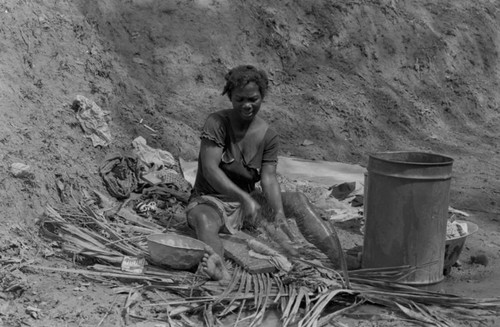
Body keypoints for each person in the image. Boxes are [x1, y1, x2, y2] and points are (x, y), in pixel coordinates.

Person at [185, 65, 286, 281]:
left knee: (298, 202)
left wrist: (278, 212)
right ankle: (218, 266)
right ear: (230, 97)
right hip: (213, 200)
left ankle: (336, 259)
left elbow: (268, 177)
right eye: (240, 99)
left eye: (253, 99)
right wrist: (241, 197)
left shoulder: (269, 135)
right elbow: (211, 170)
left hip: (247, 204)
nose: (247, 105)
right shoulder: (217, 123)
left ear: (262, 96)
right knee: (204, 219)